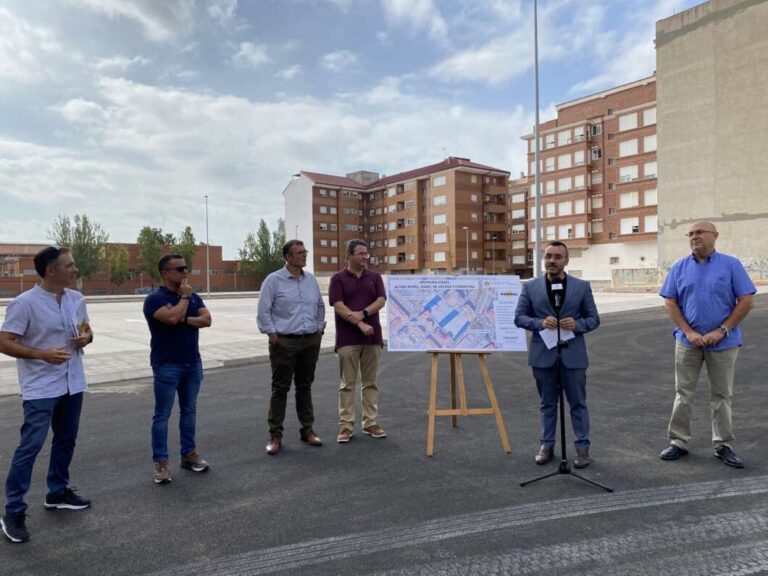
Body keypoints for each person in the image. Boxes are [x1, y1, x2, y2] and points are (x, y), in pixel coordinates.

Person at [0, 246, 93, 544]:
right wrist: (42, 354)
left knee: (66, 440)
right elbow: (4, 341)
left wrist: (86, 337)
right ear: (51, 270)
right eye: (69, 265)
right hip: (40, 387)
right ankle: (13, 510)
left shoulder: (76, 299)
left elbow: (87, 330)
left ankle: (57, 492)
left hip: (72, 383)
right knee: (30, 447)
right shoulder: (24, 304)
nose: (75, 269)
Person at [658, 220, 755, 468]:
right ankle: (678, 442)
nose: (694, 236)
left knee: (722, 394)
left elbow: (745, 300)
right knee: (683, 393)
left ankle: (723, 444)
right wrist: (689, 332)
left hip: (723, 343)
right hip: (687, 343)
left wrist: (722, 330)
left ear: (715, 235)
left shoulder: (731, 265)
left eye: (700, 232)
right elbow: (670, 301)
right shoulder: (679, 267)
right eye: (690, 233)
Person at [514, 241, 600, 468]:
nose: (552, 260)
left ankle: (582, 448)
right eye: (548, 256)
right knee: (547, 403)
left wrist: (577, 325)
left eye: (557, 257)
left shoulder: (582, 287)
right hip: (543, 355)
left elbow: (594, 319)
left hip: (573, 355)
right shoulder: (531, 287)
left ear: (566, 260)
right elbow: (519, 317)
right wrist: (540, 323)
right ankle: (547, 445)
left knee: (578, 404)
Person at [143, 254, 212, 484]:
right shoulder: (155, 299)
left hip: (192, 362)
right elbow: (171, 319)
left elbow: (207, 320)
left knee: (189, 411)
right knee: (162, 415)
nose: (185, 272)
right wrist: (184, 299)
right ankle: (161, 462)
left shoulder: (194, 296)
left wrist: (184, 317)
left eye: (186, 268)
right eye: (180, 269)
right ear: (165, 273)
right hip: (167, 364)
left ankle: (189, 455)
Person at [257, 240, 325, 455]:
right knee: (280, 388)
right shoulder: (273, 280)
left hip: (310, 340)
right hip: (284, 342)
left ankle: (307, 430)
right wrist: (273, 335)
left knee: (305, 386)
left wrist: (319, 329)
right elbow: (263, 311)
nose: (304, 255)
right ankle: (275, 435)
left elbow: (320, 306)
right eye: (299, 253)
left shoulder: (310, 280)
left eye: (305, 252)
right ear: (287, 257)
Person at [329, 239, 387, 443]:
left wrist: (363, 313)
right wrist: (360, 324)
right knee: (347, 384)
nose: (365, 257)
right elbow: (338, 306)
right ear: (349, 255)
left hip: (372, 338)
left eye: (366, 253)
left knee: (370, 382)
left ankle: (370, 422)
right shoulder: (338, 279)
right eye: (361, 253)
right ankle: (346, 426)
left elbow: (381, 300)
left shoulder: (375, 277)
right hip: (347, 339)